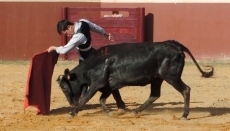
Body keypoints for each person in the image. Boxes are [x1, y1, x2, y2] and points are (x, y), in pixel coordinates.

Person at [47, 19, 114, 100]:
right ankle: (83, 97)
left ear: (69, 27)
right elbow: (95, 27)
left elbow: (64, 50)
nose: (68, 35)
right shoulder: (83, 21)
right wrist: (104, 33)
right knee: (85, 77)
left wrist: (54, 48)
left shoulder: (79, 36)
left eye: (66, 33)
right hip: (91, 54)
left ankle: (84, 97)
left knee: (98, 79)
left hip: (87, 58)